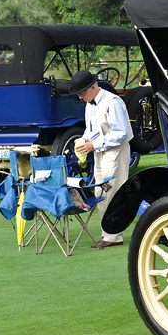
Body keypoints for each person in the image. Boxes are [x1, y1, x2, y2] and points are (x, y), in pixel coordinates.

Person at [69, 70, 134, 249]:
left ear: (93, 87)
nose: (80, 97)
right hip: (100, 151)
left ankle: (114, 235)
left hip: (116, 150)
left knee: (113, 191)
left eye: (82, 93)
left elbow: (120, 133)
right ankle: (109, 234)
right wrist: (83, 142)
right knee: (100, 193)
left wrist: (93, 145)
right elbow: (91, 130)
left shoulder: (113, 102)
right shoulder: (90, 104)